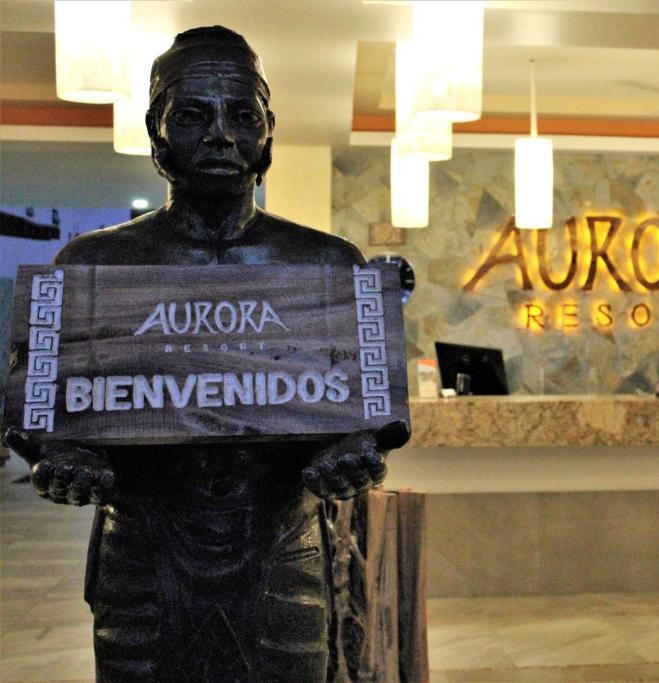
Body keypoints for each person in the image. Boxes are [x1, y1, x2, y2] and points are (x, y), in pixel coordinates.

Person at [3, 26, 407, 682]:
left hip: (280, 554)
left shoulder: (327, 267)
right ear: (156, 130)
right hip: (143, 555)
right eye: (192, 114)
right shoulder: (93, 266)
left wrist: (353, 449)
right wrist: (62, 452)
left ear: (268, 128)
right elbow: (37, 404)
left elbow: (370, 412)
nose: (220, 133)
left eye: (241, 114)